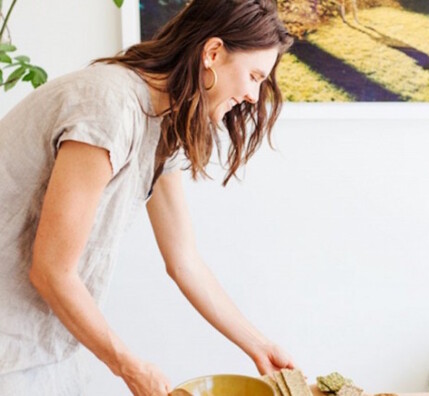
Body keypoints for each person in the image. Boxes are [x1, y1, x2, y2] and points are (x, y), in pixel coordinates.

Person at [0, 0, 294, 395]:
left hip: (41, 345)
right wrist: (128, 366)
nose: (255, 96)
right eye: (254, 76)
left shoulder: (163, 122)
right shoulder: (109, 107)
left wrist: (257, 345)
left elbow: (184, 261)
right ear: (212, 54)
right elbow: (51, 270)